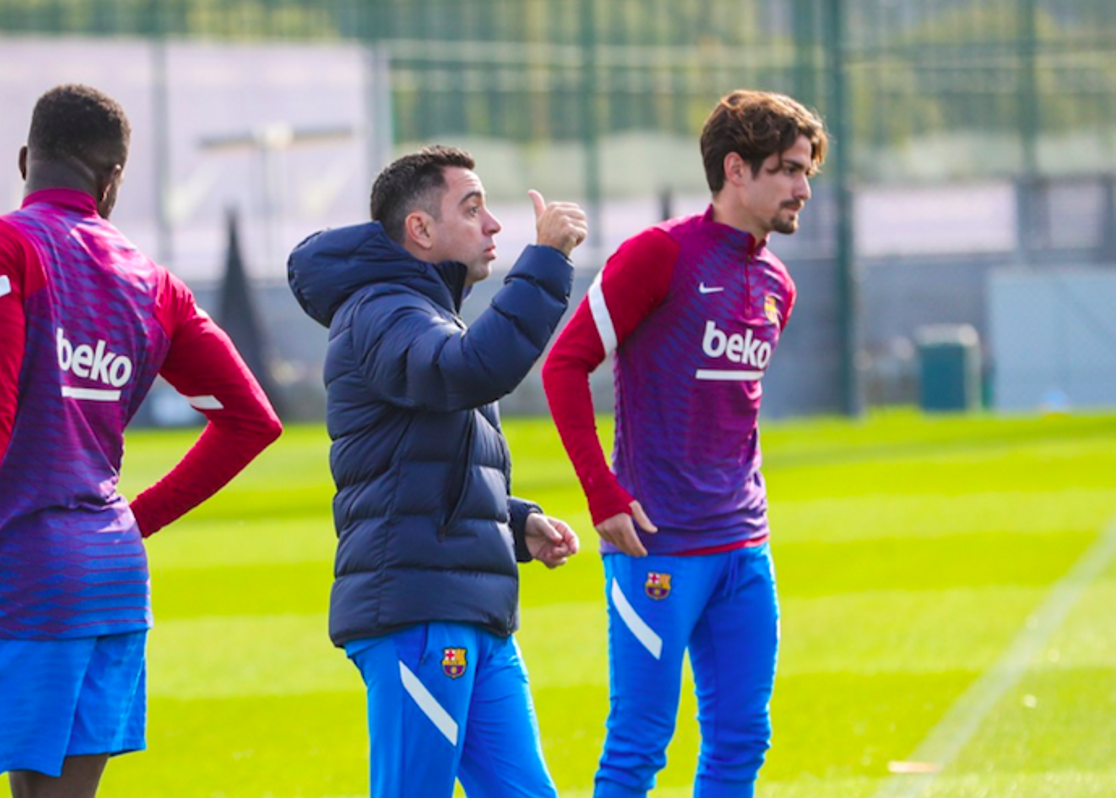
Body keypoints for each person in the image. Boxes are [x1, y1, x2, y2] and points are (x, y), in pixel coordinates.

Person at [0, 84, 283, 797]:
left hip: (12, 578)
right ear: (113, 179)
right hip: (112, 587)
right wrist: (129, 522)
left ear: (26, 160)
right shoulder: (154, 283)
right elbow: (251, 420)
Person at [542, 90, 827, 798]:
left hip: (744, 548)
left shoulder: (776, 284)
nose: (803, 188)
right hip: (657, 548)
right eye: (789, 169)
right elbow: (563, 364)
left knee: (742, 737)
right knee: (639, 745)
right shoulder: (658, 256)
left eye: (807, 172)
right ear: (737, 168)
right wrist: (602, 493)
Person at [288, 144, 585, 797]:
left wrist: (515, 522)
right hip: (419, 617)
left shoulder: (421, 314)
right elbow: (470, 369)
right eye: (471, 208)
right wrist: (547, 263)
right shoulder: (384, 310)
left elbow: (424, 473)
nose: (494, 226)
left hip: (468, 609)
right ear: (420, 230)